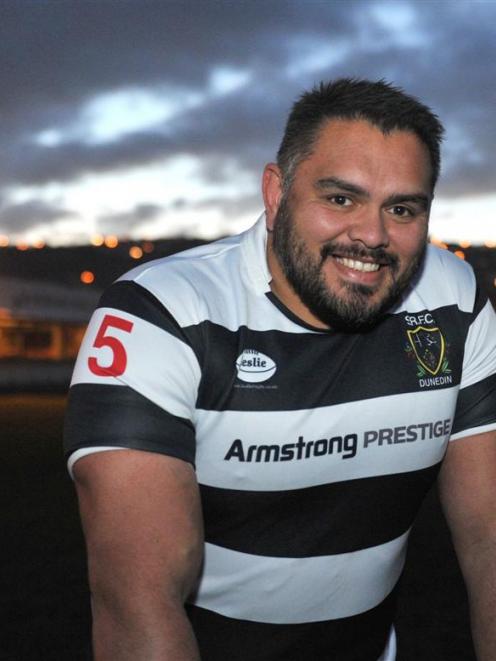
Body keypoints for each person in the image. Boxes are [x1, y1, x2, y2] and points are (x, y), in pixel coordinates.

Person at [64, 78, 496, 661]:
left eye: (401, 208)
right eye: (340, 198)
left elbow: (489, 538)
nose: (371, 236)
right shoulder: (160, 314)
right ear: (275, 192)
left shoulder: (457, 301)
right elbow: (137, 603)